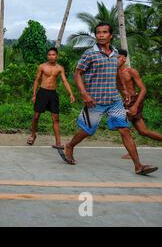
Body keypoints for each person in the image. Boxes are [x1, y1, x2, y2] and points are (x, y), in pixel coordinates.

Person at [57, 23, 158, 175]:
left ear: (110, 35)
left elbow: (116, 73)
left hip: (114, 100)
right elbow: (78, 73)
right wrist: (84, 93)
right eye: (98, 32)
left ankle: (138, 166)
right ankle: (70, 145)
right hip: (95, 100)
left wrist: (123, 90)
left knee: (125, 130)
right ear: (96, 35)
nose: (101, 35)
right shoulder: (90, 54)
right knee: (87, 131)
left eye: (104, 32)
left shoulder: (115, 53)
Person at [117, 49, 162, 159]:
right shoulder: (113, 73)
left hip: (135, 101)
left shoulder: (131, 71)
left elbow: (143, 89)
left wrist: (135, 106)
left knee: (123, 128)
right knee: (142, 131)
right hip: (125, 102)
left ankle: (131, 152)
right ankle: (131, 151)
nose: (115, 60)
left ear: (124, 58)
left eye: (118, 57)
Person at [27, 48, 75, 149]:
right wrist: (34, 94)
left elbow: (65, 81)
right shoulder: (42, 67)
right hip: (42, 92)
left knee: (55, 118)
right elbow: (36, 80)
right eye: (49, 55)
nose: (51, 56)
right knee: (36, 116)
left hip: (53, 94)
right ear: (47, 56)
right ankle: (33, 135)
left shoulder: (60, 68)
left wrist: (71, 93)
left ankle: (58, 142)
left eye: (53, 55)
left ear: (56, 56)